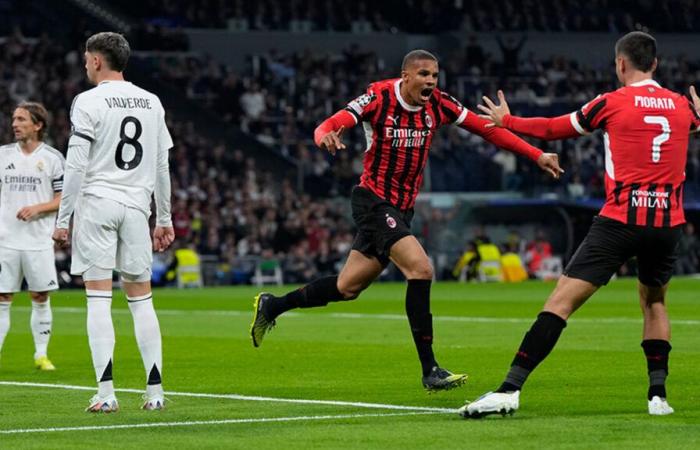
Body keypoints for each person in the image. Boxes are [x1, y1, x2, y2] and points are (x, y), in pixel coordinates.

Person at [250, 49, 563, 391]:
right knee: (421, 268)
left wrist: (536, 155)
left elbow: (486, 130)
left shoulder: (439, 104)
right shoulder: (378, 97)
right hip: (373, 201)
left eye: (435, 75)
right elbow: (329, 124)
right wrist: (324, 135)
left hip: (401, 209)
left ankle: (273, 305)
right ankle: (430, 369)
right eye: (425, 74)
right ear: (406, 76)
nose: (431, 81)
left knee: (347, 287)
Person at [462, 31, 700, 418]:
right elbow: (690, 128)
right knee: (655, 302)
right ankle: (658, 397)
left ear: (620, 63)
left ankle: (509, 389)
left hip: (620, 219)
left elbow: (555, 128)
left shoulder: (609, 102)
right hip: (666, 223)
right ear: (655, 64)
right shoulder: (680, 107)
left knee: (560, 302)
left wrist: (509, 120)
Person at [52, 32, 175, 413]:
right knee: (141, 302)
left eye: (87, 58)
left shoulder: (87, 101)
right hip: (137, 209)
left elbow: (75, 164)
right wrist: (164, 217)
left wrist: (63, 217)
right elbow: (160, 165)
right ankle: (154, 394)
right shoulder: (152, 102)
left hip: (97, 205)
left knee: (98, 301)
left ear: (95, 61)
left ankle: (106, 394)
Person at [0, 102, 64, 371]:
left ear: (37, 125)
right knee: (2, 298)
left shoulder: (52, 158)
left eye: (22, 119)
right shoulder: (3, 155)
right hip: (5, 239)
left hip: (38, 240)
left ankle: (41, 354)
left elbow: (64, 198)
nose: (15, 124)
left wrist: (38, 208)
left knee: (40, 296)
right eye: (14, 119)